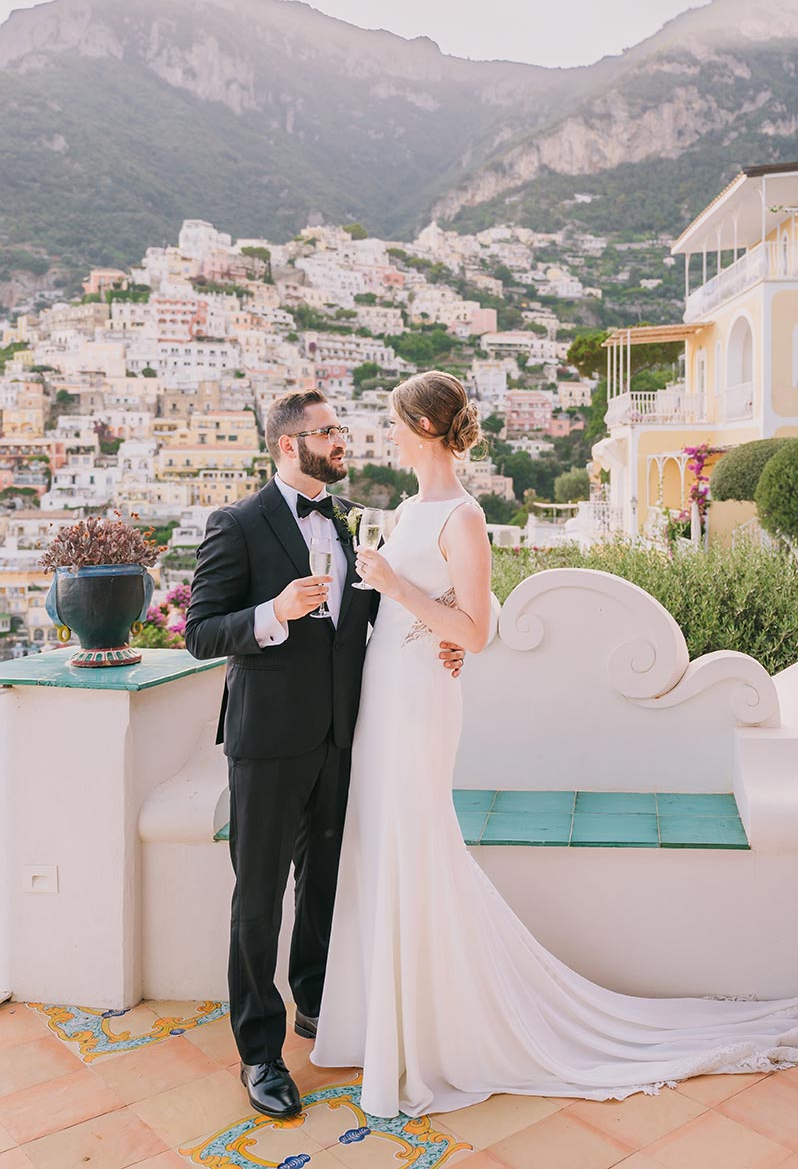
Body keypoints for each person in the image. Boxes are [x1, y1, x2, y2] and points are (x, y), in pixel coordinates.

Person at [311, 369, 798, 1119]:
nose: (389, 435)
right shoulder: (411, 506)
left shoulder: (464, 515)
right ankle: (389, 1024)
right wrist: (414, 601)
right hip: (388, 689)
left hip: (419, 700)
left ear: (422, 429)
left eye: (396, 423)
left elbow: (474, 628)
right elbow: (471, 611)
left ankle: (438, 1032)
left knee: (416, 840)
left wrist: (395, 588)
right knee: (384, 842)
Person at [184, 389, 464, 1120]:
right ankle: (259, 1054)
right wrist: (274, 612)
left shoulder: (346, 518)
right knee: (257, 901)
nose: (343, 439)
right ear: (289, 445)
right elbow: (202, 631)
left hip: (345, 735)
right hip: (269, 742)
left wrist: (444, 640)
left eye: (341, 427)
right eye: (328, 431)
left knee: (325, 887)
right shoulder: (238, 524)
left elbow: (384, 606)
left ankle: (317, 1003)